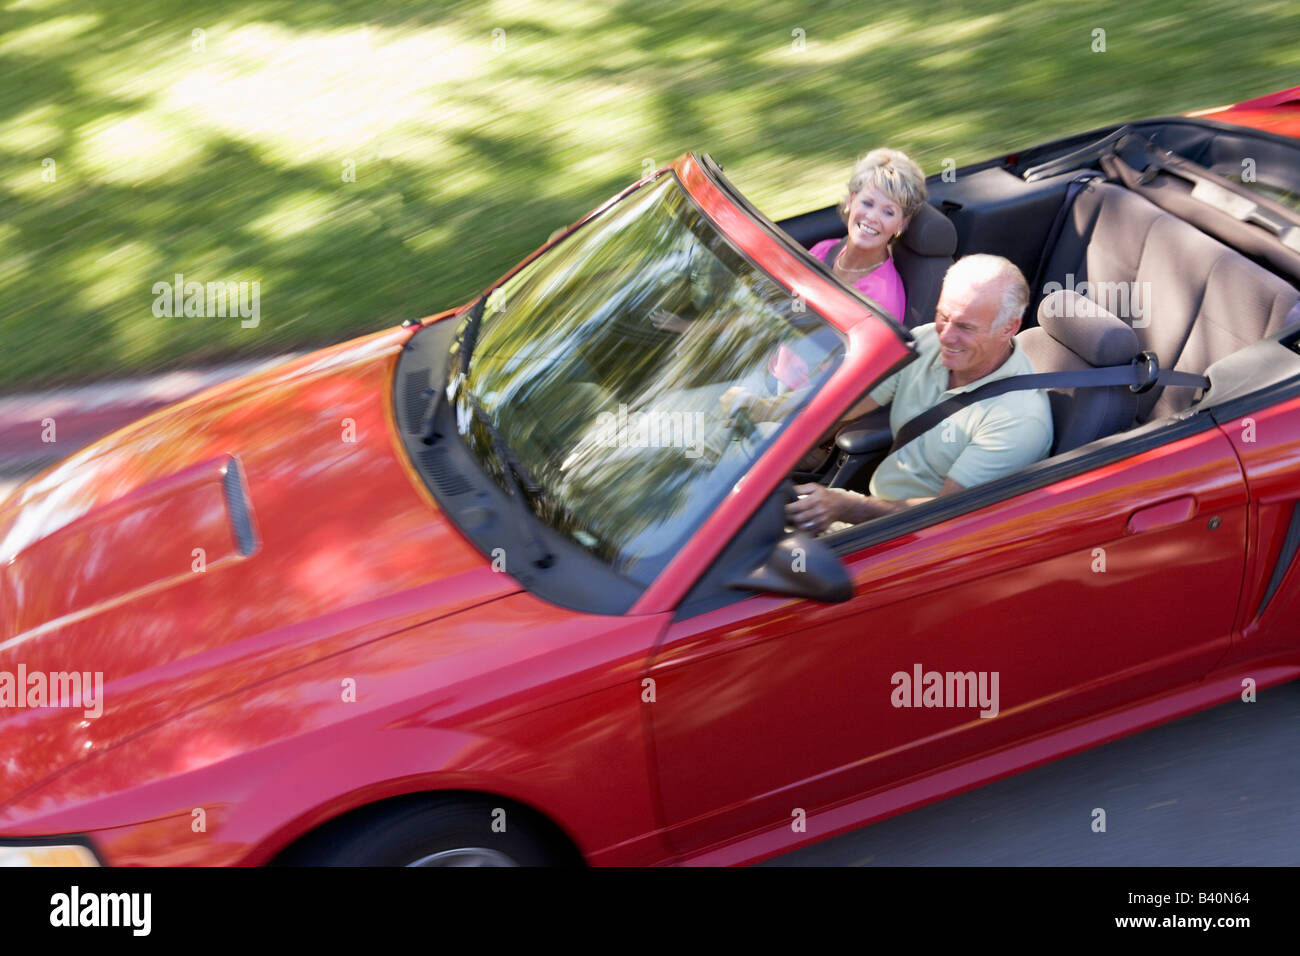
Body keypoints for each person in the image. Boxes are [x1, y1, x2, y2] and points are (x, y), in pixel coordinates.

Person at [784, 254, 1054, 534]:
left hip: (917, 541)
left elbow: (946, 517)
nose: (946, 336)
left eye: (965, 327)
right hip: (874, 508)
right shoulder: (926, 341)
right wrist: (768, 420)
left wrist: (845, 507)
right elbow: (841, 405)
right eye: (943, 316)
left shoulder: (1019, 421)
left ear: (1008, 328)